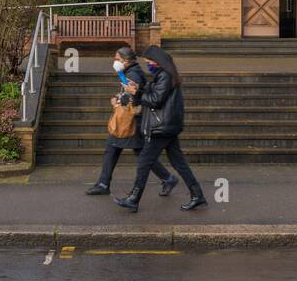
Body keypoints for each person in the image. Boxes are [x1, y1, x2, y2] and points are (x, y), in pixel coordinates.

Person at [114, 46, 207, 213]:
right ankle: (197, 195)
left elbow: (156, 100)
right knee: (179, 163)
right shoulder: (164, 75)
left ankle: (133, 199)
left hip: (161, 127)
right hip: (167, 126)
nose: (148, 65)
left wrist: (136, 93)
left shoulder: (164, 76)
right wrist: (138, 89)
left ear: (157, 61)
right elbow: (153, 94)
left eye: (149, 62)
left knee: (144, 162)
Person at [85, 46, 176, 198]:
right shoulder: (131, 71)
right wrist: (119, 96)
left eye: (117, 59)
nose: (115, 61)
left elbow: (132, 95)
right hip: (132, 119)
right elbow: (128, 92)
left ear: (126, 61)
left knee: (129, 151)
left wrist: (118, 101)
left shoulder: (133, 74)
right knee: (120, 150)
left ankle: (105, 184)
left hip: (130, 121)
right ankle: (103, 183)